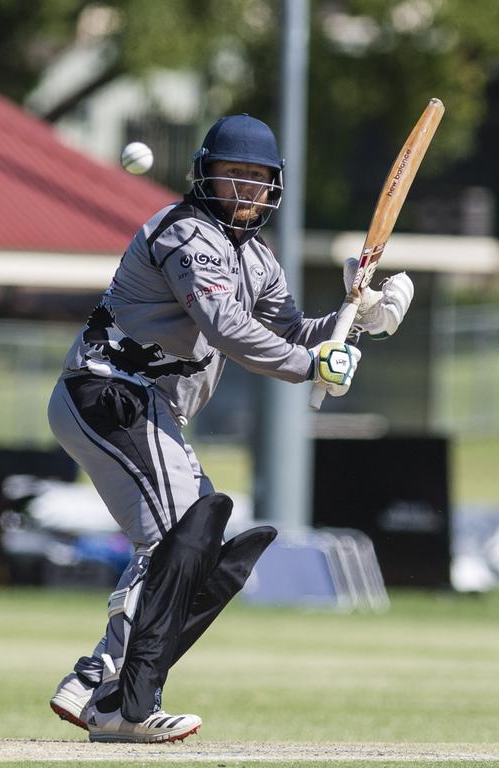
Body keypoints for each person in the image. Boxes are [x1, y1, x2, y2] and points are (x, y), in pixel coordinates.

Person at [45, 115, 414, 743]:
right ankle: (105, 691)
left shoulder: (259, 261)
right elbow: (225, 328)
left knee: (195, 551)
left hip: (152, 410)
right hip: (109, 391)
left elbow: (294, 332)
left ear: (274, 188)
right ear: (204, 174)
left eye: (257, 179)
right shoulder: (184, 234)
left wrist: (362, 318)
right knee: (176, 539)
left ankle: (106, 684)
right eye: (232, 175)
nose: (244, 189)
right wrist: (310, 366)